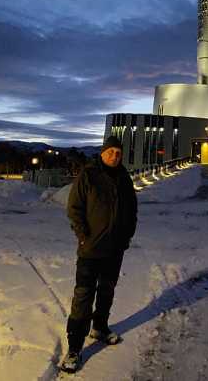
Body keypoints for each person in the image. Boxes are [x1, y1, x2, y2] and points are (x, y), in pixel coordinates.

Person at [60, 135, 137, 373]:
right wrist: (84, 235)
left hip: (115, 249)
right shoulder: (89, 174)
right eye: (111, 152)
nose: (115, 156)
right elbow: (74, 208)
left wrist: (127, 235)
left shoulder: (124, 178)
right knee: (83, 295)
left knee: (107, 290)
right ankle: (74, 347)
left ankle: (100, 327)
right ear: (103, 153)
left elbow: (132, 209)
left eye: (118, 152)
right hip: (91, 249)